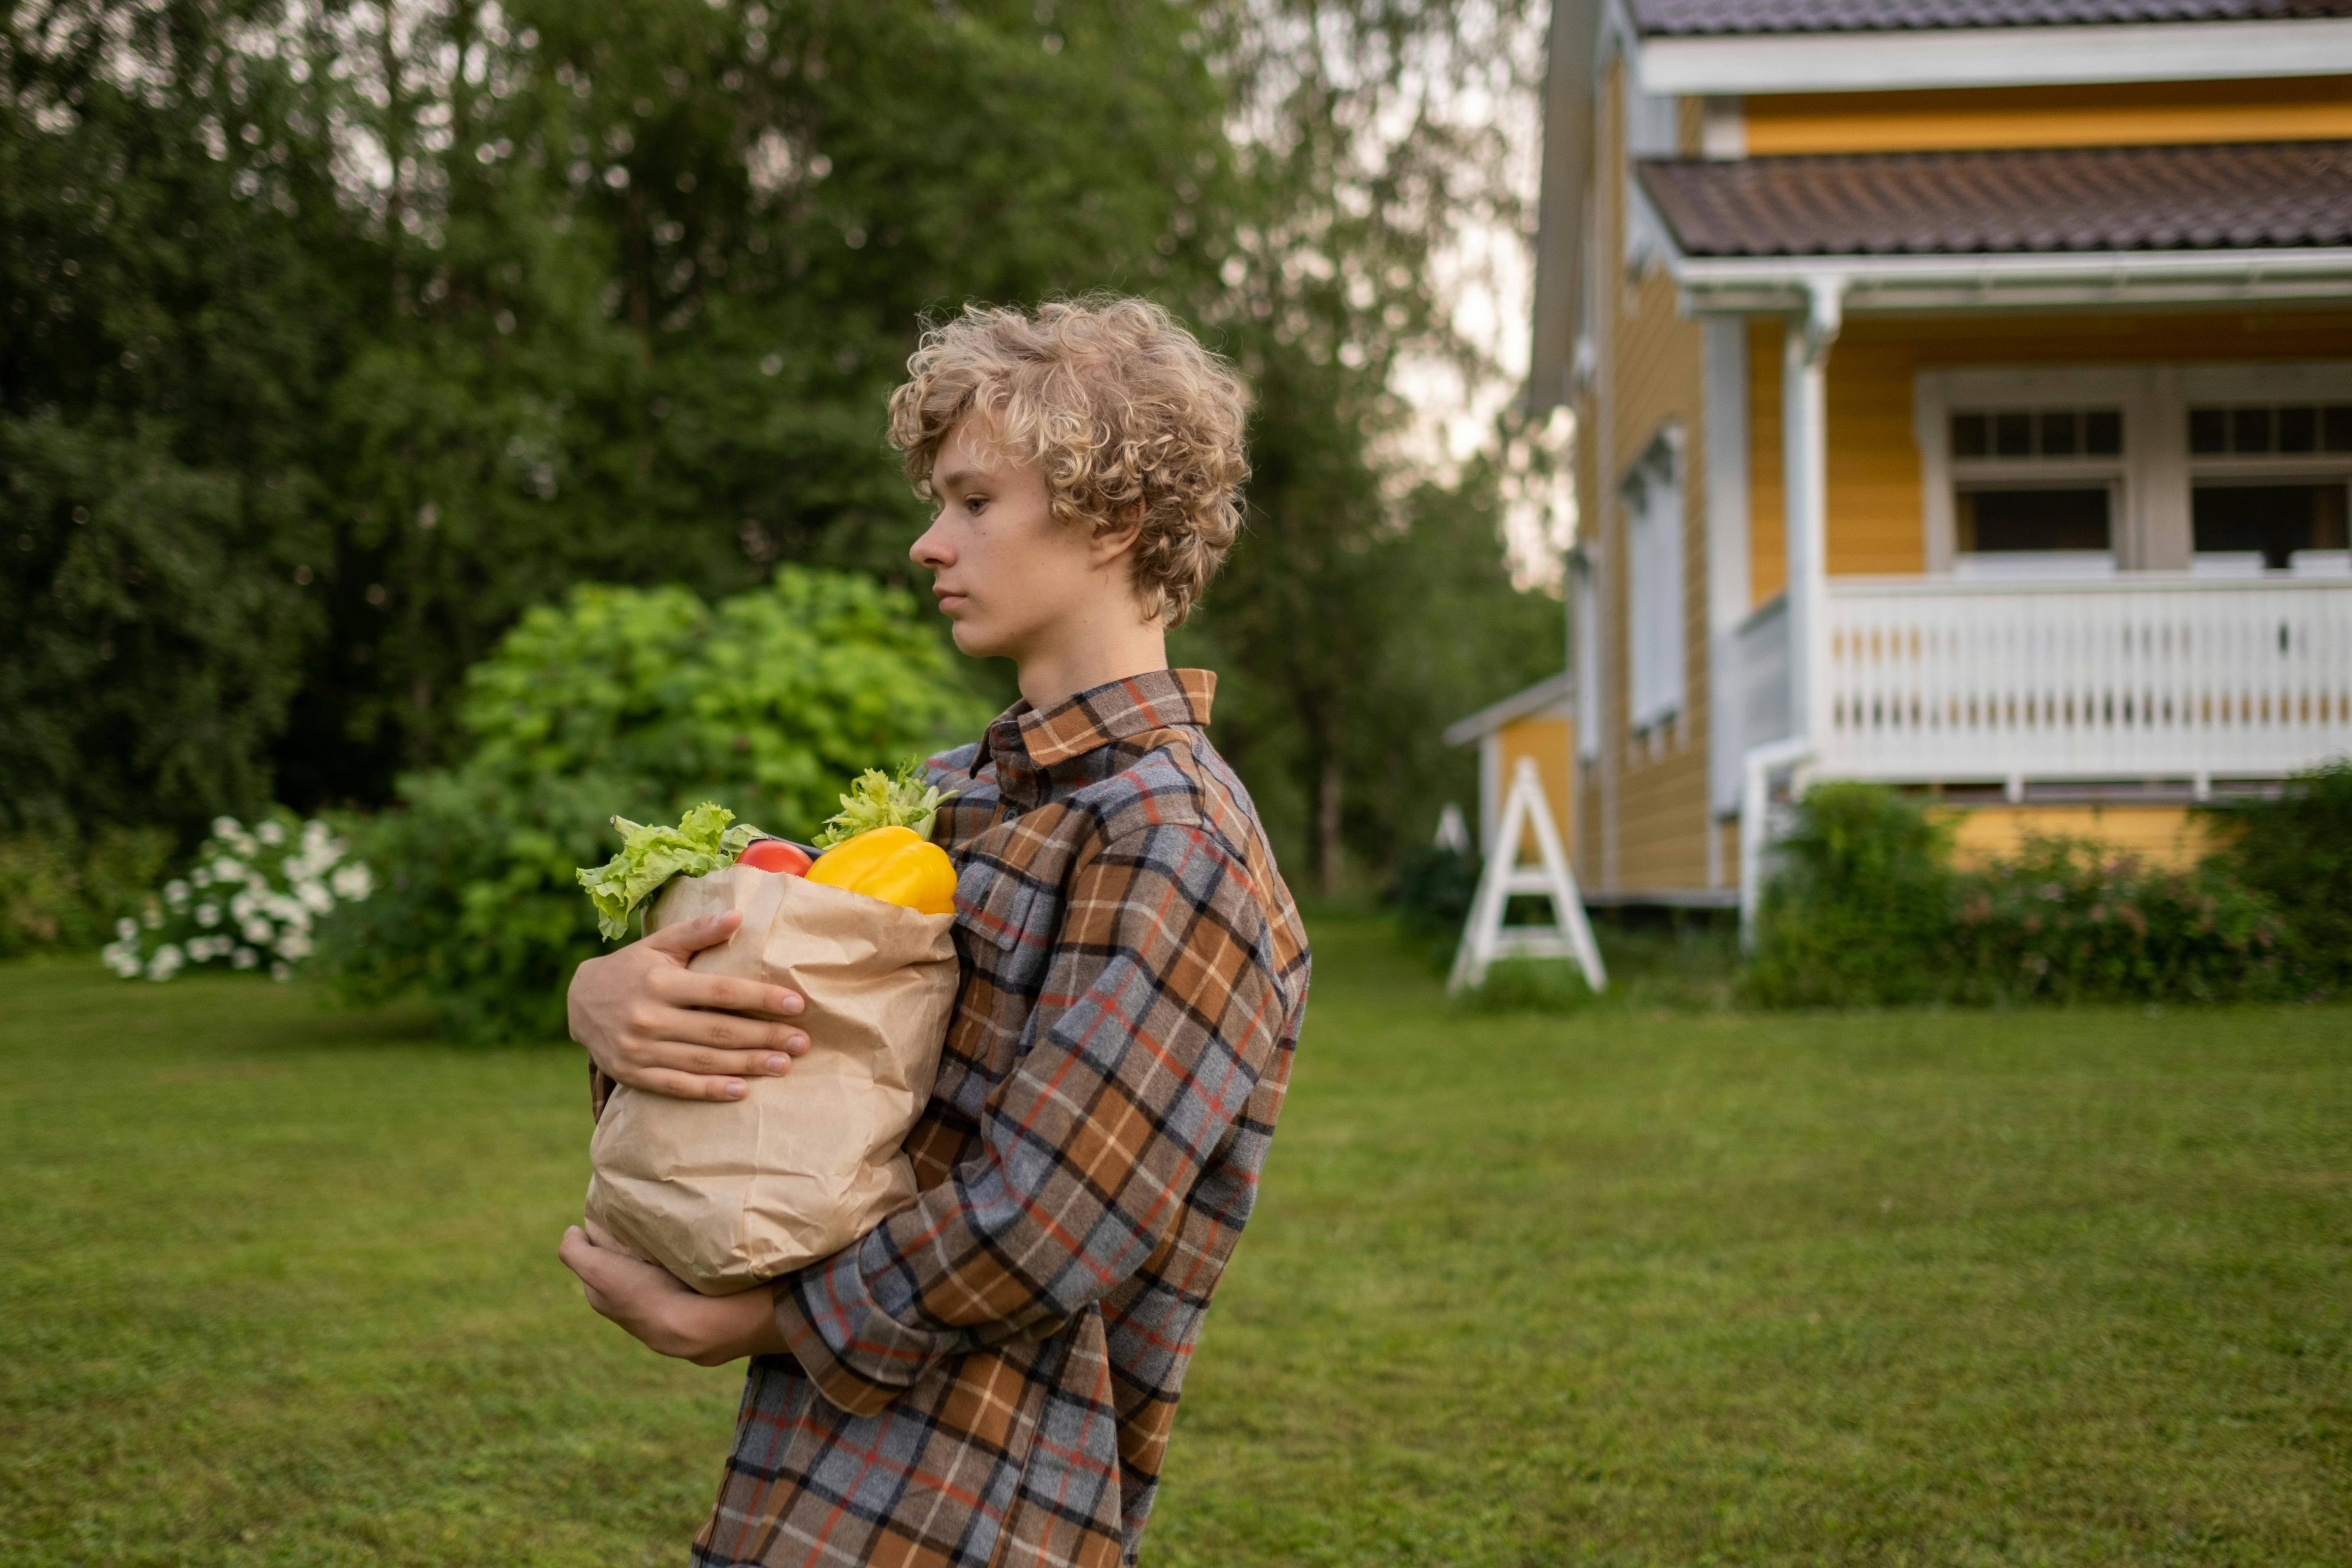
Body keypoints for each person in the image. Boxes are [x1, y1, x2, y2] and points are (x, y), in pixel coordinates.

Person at [558, 296, 1312, 1568]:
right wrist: (613, 1002)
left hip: (991, 1492)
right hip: (816, 1465)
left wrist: (753, 1323)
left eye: (973, 501)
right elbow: (801, 1079)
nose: (929, 542)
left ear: (1115, 518)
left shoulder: (1178, 841)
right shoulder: (953, 792)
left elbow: (1054, 1216)